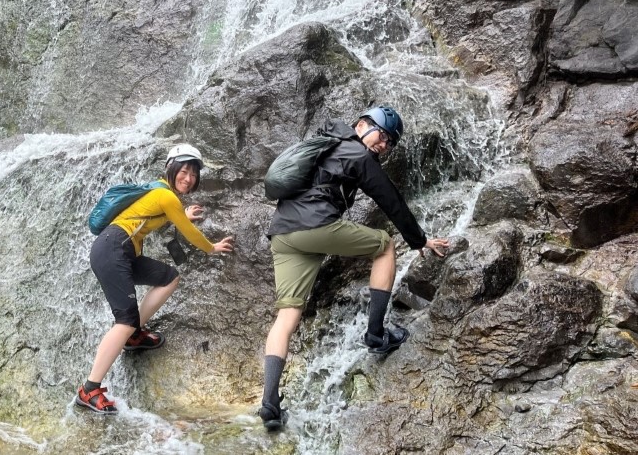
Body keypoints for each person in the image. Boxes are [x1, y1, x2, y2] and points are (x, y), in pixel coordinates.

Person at [258, 106, 450, 431]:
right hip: (314, 226)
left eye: (391, 142)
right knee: (385, 244)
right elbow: (392, 202)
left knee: (287, 315)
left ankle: (269, 405)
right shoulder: (358, 155)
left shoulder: (326, 143)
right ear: (362, 125)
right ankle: (376, 334)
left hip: (284, 234)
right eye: (383, 134)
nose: (385, 145)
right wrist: (420, 240)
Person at [75, 143, 235, 414]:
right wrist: (212, 248)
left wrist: (182, 214)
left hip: (120, 251)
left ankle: (133, 336)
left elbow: (152, 216)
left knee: (169, 277)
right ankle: (89, 389)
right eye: (184, 171)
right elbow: (190, 234)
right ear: (170, 169)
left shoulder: (159, 191)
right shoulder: (166, 197)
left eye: (194, 175)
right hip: (113, 248)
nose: (189, 178)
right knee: (123, 320)